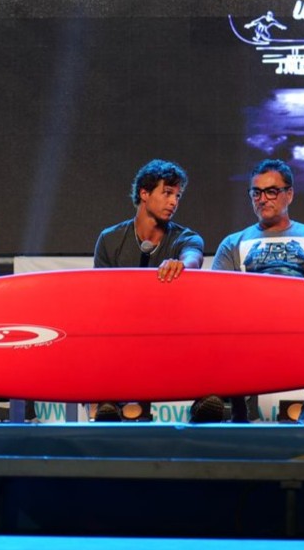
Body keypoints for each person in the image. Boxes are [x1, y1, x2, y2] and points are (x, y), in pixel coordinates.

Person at [211, 158, 304, 423]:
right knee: (220, 323)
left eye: (271, 191)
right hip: (251, 325)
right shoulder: (233, 243)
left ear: (289, 194)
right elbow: (216, 295)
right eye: (256, 193)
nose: (262, 199)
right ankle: (240, 412)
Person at [92, 159, 205, 421]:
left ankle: (205, 403)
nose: (173, 202)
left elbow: (193, 257)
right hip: (123, 334)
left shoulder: (186, 237)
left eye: (177, 196)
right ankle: (108, 406)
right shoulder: (110, 239)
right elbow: (102, 297)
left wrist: (182, 265)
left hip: (171, 333)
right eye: (167, 193)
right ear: (144, 193)